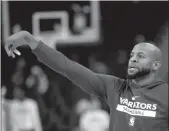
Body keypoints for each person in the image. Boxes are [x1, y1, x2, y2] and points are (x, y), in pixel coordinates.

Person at [4, 31, 168, 131]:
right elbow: (68, 67)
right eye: (132, 55)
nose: (133, 60)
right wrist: (31, 40)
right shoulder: (114, 87)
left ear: (156, 65)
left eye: (140, 56)